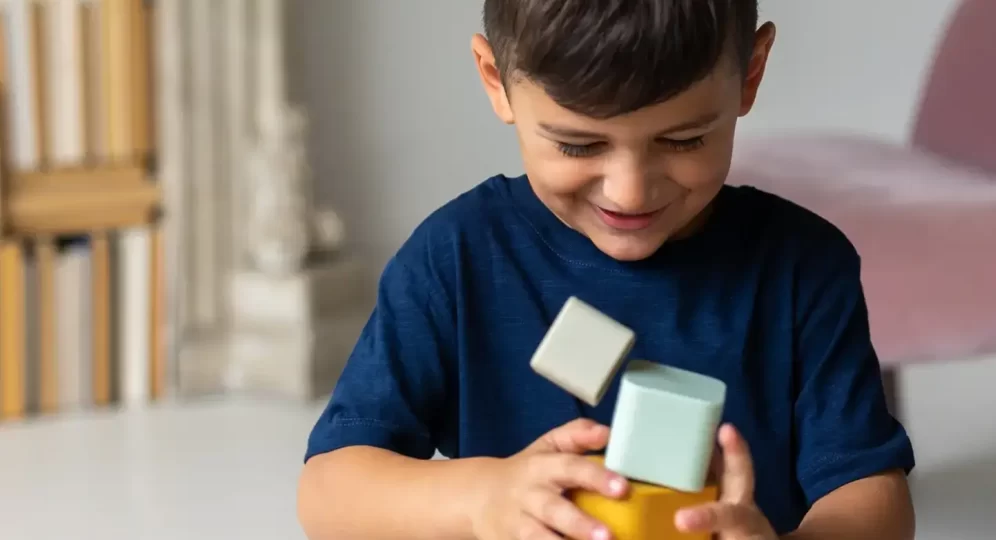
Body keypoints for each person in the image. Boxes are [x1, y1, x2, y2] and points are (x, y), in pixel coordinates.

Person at [297, 1, 916, 539]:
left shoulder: (803, 269)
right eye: (578, 145)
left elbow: (872, 497)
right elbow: (329, 491)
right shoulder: (457, 258)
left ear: (749, 74)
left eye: (683, 140)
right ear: (496, 80)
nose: (629, 191)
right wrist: (482, 497)